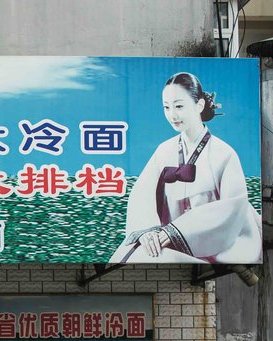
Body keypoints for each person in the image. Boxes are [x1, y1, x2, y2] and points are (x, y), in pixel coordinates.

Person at [109, 71, 260, 265]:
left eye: (179, 106)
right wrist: (148, 232)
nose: (172, 115)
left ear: (199, 105)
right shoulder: (163, 151)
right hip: (169, 242)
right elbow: (142, 195)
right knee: (133, 253)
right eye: (166, 107)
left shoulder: (224, 154)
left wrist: (176, 232)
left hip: (220, 249)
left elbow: (232, 209)